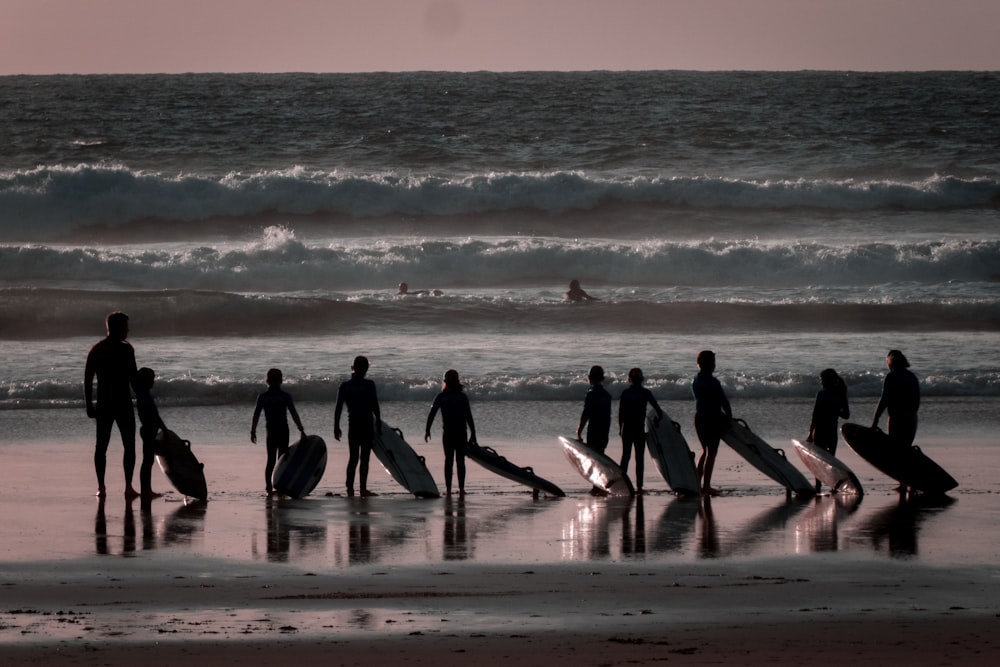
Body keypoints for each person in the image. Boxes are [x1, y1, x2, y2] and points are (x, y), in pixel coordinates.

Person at [84, 311, 139, 499]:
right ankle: (106, 486)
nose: (128, 330)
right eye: (125, 327)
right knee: (107, 446)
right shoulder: (108, 350)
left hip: (111, 403)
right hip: (113, 404)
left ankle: (125, 486)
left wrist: (89, 404)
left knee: (121, 445)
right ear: (115, 328)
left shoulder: (101, 349)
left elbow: (133, 378)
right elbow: (88, 378)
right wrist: (88, 405)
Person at [251, 368, 306, 496]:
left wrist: (253, 430)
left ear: (267, 380)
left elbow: (256, 415)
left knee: (271, 460)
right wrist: (301, 429)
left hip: (272, 430)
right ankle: (280, 485)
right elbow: (294, 414)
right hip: (282, 430)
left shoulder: (263, 397)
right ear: (281, 380)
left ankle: (269, 487)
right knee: (282, 459)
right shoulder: (285, 396)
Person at [334, 356, 382, 497]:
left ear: (353, 367)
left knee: (353, 457)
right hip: (366, 424)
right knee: (364, 458)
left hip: (353, 425)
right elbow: (375, 405)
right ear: (366, 368)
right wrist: (378, 421)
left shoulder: (345, 386)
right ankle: (362, 489)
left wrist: (336, 427)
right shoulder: (369, 385)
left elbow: (338, 409)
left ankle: (350, 488)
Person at [425, 369, 477, 496]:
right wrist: (473, 433)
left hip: (450, 434)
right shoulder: (461, 397)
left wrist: (427, 429)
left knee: (450, 461)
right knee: (459, 462)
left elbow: (432, 414)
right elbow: (468, 416)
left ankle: (450, 489)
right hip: (459, 433)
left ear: (445, 382)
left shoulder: (442, 397)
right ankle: (460, 489)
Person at [692, 350, 732, 497]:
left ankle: (697, 484)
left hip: (699, 418)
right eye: (713, 362)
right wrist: (729, 418)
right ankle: (706, 486)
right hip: (712, 419)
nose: (714, 365)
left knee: (704, 451)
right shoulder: (713, 381)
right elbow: (723, 401)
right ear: (709, 365)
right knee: (712, 453)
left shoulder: (695, 379)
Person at [617, 367, 663, 495]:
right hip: (639, 430)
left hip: (626, 429)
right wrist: (656, 423)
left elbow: (621, 413)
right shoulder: (646, 393)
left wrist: (620, 428)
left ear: (629, 380)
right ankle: (639, 487)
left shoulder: (625, 393)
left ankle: (622, 484)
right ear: (642, 379)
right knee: (639, 459)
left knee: (625, 457)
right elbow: (658, 411)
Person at [806, 368, 850, 493]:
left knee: (818, 459)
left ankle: (818, 486)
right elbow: (846, 415)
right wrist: (835, 410)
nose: (820, 382)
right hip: (832, 431)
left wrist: (810, 434)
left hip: (820, 431)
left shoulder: (822, 394)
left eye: (821, 379)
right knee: (831, 460)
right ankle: (833, 486)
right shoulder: (840, 394)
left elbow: (815, 415)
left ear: (826, 381)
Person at [576, 365, 613, 495]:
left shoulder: (591, 394)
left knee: (593, 458)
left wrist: (579, 431)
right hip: (604, 430)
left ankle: (596, 487)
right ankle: (600, 485)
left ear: (589, 378)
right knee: (600, 456)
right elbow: (608, 416)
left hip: (593, 430)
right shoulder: (607, 395)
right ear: (602, 378)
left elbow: (586, 414)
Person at [871, 349, 920, 448]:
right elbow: (917, 401)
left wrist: (875, 421)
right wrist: (912, 414)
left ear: (890, 362)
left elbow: (884, 401)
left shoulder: (891, 377)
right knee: (906, 448)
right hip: (911, 418)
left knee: (895, 448)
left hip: (896, 418)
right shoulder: (912, 377)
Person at [134, 367, 166, 501]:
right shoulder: (144, 395)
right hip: (148, 430)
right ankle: (146, 491)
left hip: (149, 429)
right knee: (148, 461)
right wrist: (163, 428)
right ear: (145, 381)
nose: (154, 381)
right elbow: (153, 415)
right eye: (152, 379)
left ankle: (146, 490)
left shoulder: (143, 394)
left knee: (148, 461)